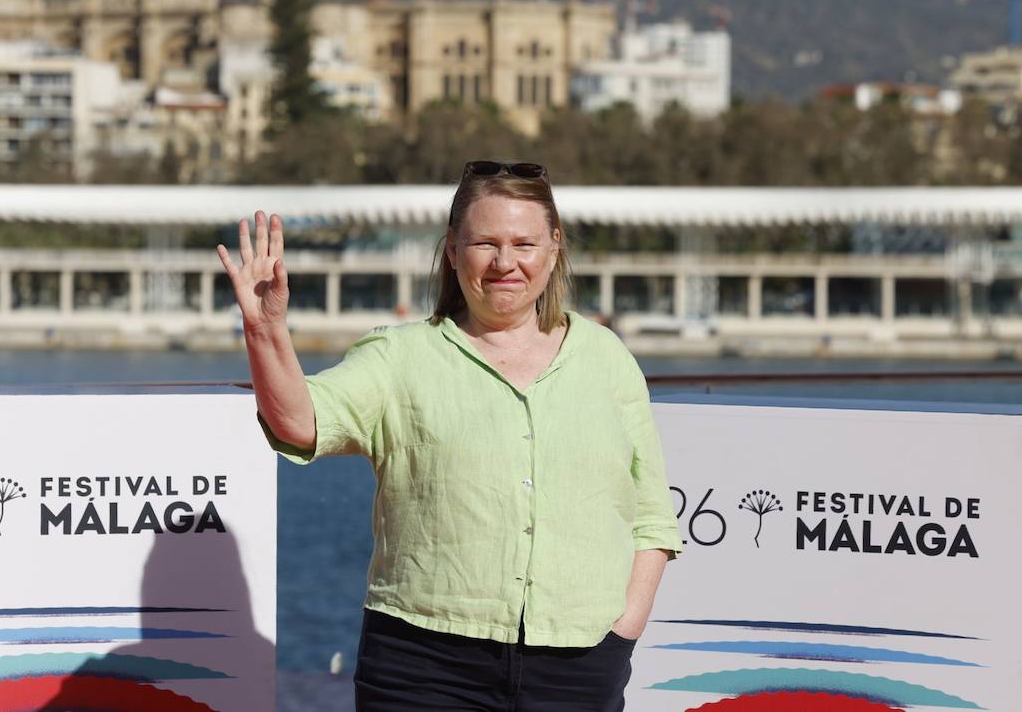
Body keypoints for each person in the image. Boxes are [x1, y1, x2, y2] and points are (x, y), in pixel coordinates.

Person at [216, 160, 682, 711]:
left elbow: (651, 514)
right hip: (423, 667)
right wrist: (265, 329)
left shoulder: (607, 358)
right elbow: (300, 423)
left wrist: (625, 625)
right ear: (453, 249)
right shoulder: (398, 356)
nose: (505, 262)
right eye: (484, 242)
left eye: (524, 243)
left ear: (554, 248)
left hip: (580, 666)